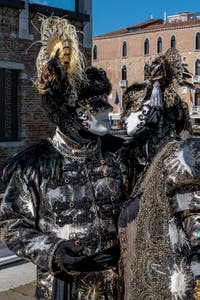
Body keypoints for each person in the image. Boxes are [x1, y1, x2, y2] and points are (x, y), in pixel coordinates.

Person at [0, 16, 126, 300]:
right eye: (94, 107)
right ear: (70, 111)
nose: (105, 111)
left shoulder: (118, 156)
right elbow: (12, 226)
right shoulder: (33, 165)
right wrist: (53, 250)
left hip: (117, 284)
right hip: (63, 287)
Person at [118, 48, 200, 299]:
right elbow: (130, 126)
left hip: (171, 177)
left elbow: (184, 137)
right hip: (141, 179)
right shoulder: (136, 98)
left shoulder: (176, 107)